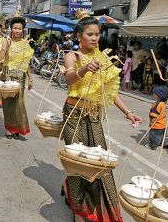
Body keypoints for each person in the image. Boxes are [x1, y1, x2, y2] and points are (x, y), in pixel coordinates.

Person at [62, 12, 142, 222]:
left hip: (94, 115)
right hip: (73, 113)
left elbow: (110, 92)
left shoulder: (104, 59)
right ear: (79, 35)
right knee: (78, 161)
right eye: (90, 34)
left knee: (99, 163)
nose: (95, 38)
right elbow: (70, 80)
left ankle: (99, 208)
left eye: (97, 34)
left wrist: (128, 112)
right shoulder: (73, 56)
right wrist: (84, 69)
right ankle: (78, 208)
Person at [0, 18, 34, 139]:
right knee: (7, 103)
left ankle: (17, 127)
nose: (17, 30)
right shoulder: (5, 41)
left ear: (23, 30)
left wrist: (30, 78)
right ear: (11, 29)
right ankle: (9, 128)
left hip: (20, 77)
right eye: (15, 28)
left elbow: (26, 62)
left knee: (19, 103)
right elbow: (0, 58)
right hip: (7, 75)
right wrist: (5, 46)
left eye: (19, 28)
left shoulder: (25, 44)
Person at [145, 86, 168, 150]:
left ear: (159, 96)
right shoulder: (163, 104)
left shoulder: (156, 104)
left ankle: (153, 145)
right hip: (163, 124)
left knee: (153, 135)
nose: (153, 94)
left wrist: (151, 123)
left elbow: (154, 115)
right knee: (160, 136)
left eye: (154, 93)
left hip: (156, 124)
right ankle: (159, 144)